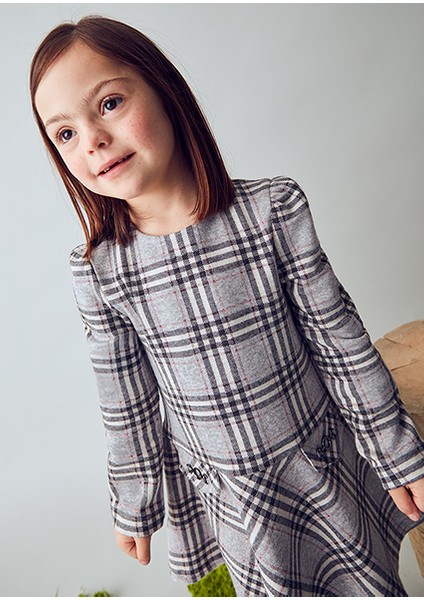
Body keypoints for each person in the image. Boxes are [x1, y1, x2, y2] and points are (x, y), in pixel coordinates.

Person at [30, 15, 424, 596]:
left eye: (109, 104)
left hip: (316, 463)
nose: (92, 140)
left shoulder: (271, 212)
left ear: (166, 92)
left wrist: (396, 454)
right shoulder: (101, 270)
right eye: (65, 134)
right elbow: (126, 398)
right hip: (228, 493)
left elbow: (339, 343)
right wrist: (134, 503)